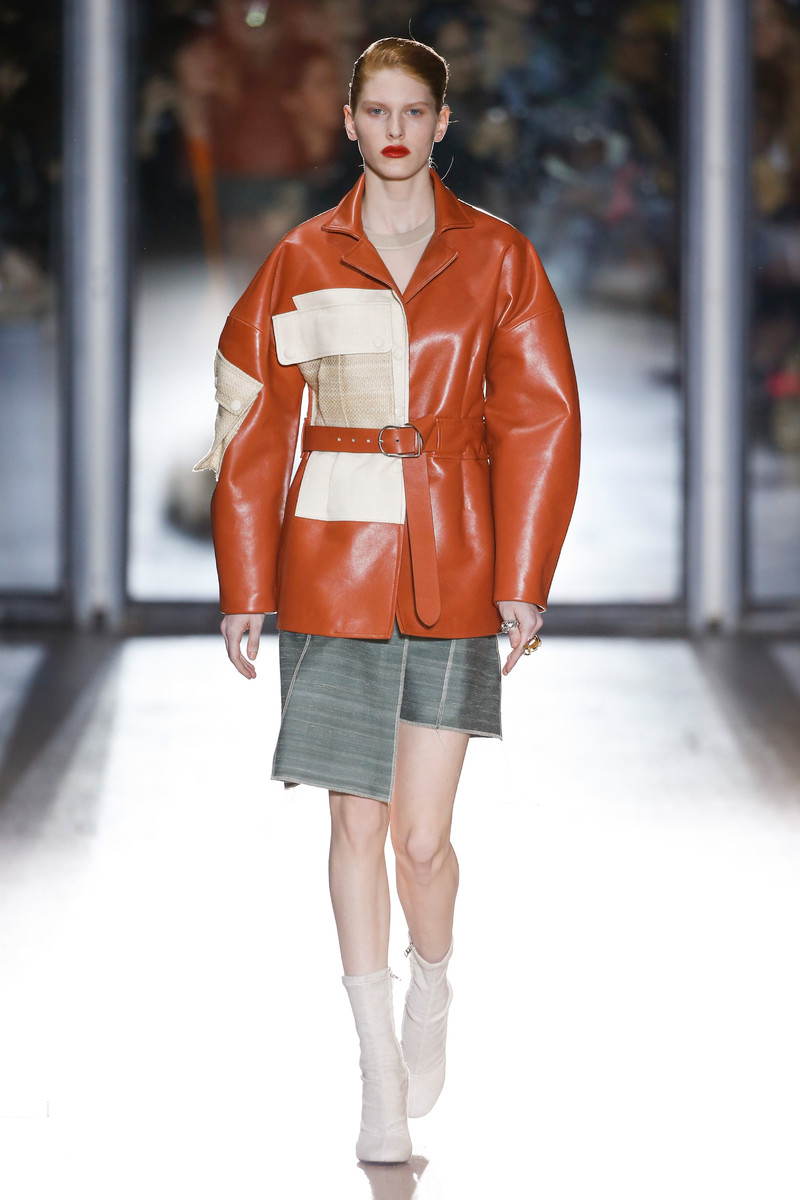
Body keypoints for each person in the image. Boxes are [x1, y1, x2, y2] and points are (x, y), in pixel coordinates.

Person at [195, 37, 580, 1164]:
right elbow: (252, 419)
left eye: (416, 111)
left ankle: (432, 983)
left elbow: (539, 419)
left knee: (420, 841)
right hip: (331, 558)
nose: (396, 130)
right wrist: (245, 582)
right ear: (351, 123)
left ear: (442, 123)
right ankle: (374, 1071)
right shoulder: (302, 258)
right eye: (378, 111)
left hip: (453, 554)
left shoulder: (498, 257)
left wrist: (523, 579)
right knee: (353, 823)